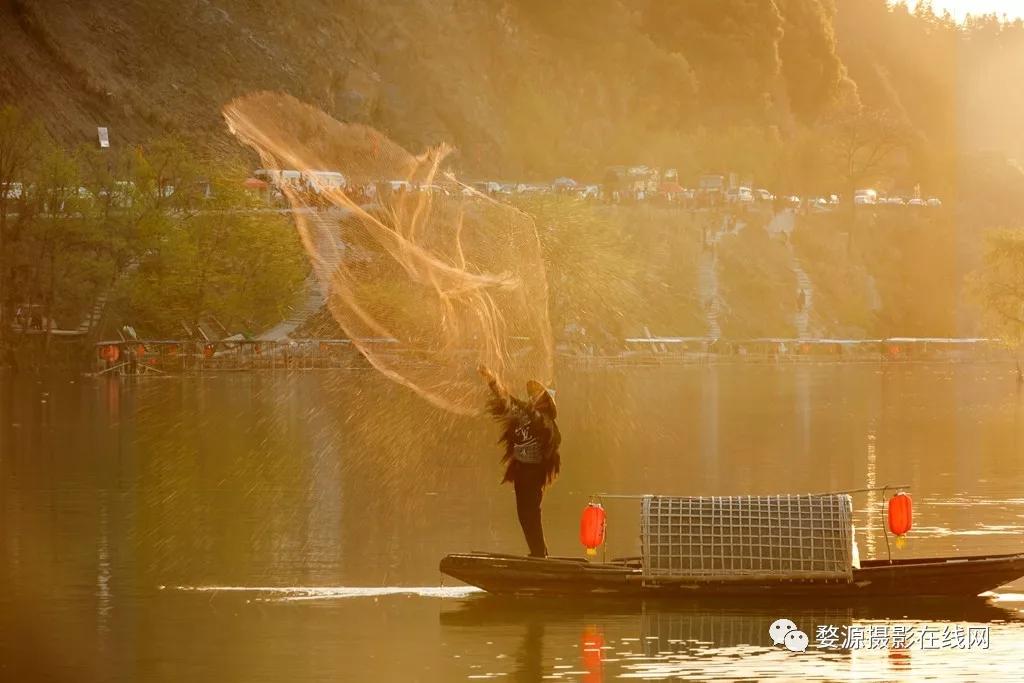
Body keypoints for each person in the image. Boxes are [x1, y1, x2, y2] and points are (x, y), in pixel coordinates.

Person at [478, 365, 561, 558]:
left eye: (538, 397)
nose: (533, 399)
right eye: (533, 396)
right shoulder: (523, 413)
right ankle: (538, 552)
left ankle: (539, 553)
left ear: (546, 404)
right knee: (524, 516)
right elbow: (505, 399)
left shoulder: (547, 424)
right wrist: (491, 379)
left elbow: (554, 442)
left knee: (531, 513)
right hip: (521, 472)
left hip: (534, 474)